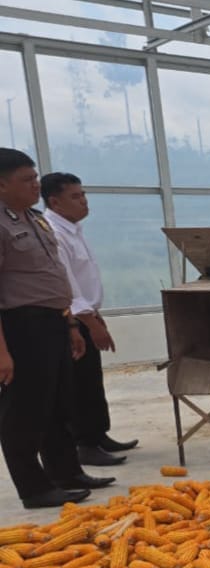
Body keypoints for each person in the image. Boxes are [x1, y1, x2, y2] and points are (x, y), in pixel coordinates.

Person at [0, 149, 113, 508]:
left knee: (58, 403)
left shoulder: (35, 220)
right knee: (25, 410)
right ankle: (33, 488)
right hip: (22, 325)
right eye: (27, 180)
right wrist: (2, 352)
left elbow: (55, 278)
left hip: (54, 321)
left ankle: (66, 473)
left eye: (35, 177)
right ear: (1, 185)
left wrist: (71, 326)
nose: (36, 185)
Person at [42, 172, 137, 467]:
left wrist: (96, 315)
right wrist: (89, 323)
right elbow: (69, 288)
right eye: (75, 196)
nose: (84, 201)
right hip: (72, 319)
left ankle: (97, 434)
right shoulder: (54, 233)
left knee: (92, 379)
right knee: (79, 382)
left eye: (83, 194)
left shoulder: (73, 228)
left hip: (87, 313)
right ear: (55, 202)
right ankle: (84, 442)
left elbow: (84, 280)